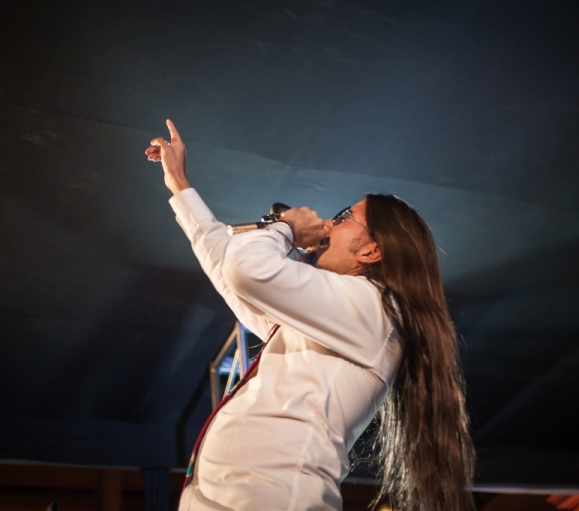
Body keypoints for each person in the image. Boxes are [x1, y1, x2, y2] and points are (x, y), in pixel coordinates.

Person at [146, 120, 475, 511]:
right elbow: (228, 270)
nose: (329, 224)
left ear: (371, 251)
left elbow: (246, 271)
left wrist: (285, 228)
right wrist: (180, 185)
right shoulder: (334, 315)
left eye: (345, 216)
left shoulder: (375, 308)